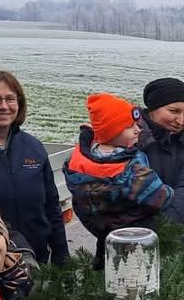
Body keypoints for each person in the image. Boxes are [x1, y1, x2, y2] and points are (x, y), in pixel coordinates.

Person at [0, 70, 69, 265]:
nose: (3, 106)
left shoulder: (33, 147)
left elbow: (51, 206)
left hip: (38, 258)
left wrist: (62, 256)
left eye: (10, 99)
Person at [63, 93, 174, 264]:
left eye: (137, 124)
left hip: (101, 230)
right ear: (111, 132)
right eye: (130, 127)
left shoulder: (78, 161)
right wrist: (171, 192)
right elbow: (159, 197)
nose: (138, 129)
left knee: (106, 266)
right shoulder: (130, 168)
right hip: (134, 236)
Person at [138, 77, 184, 230]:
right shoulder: (129, 140)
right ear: (153, 109)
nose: (180, 120)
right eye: (174, 111)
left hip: (177, 232)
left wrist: (164, 227)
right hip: (130, 233)